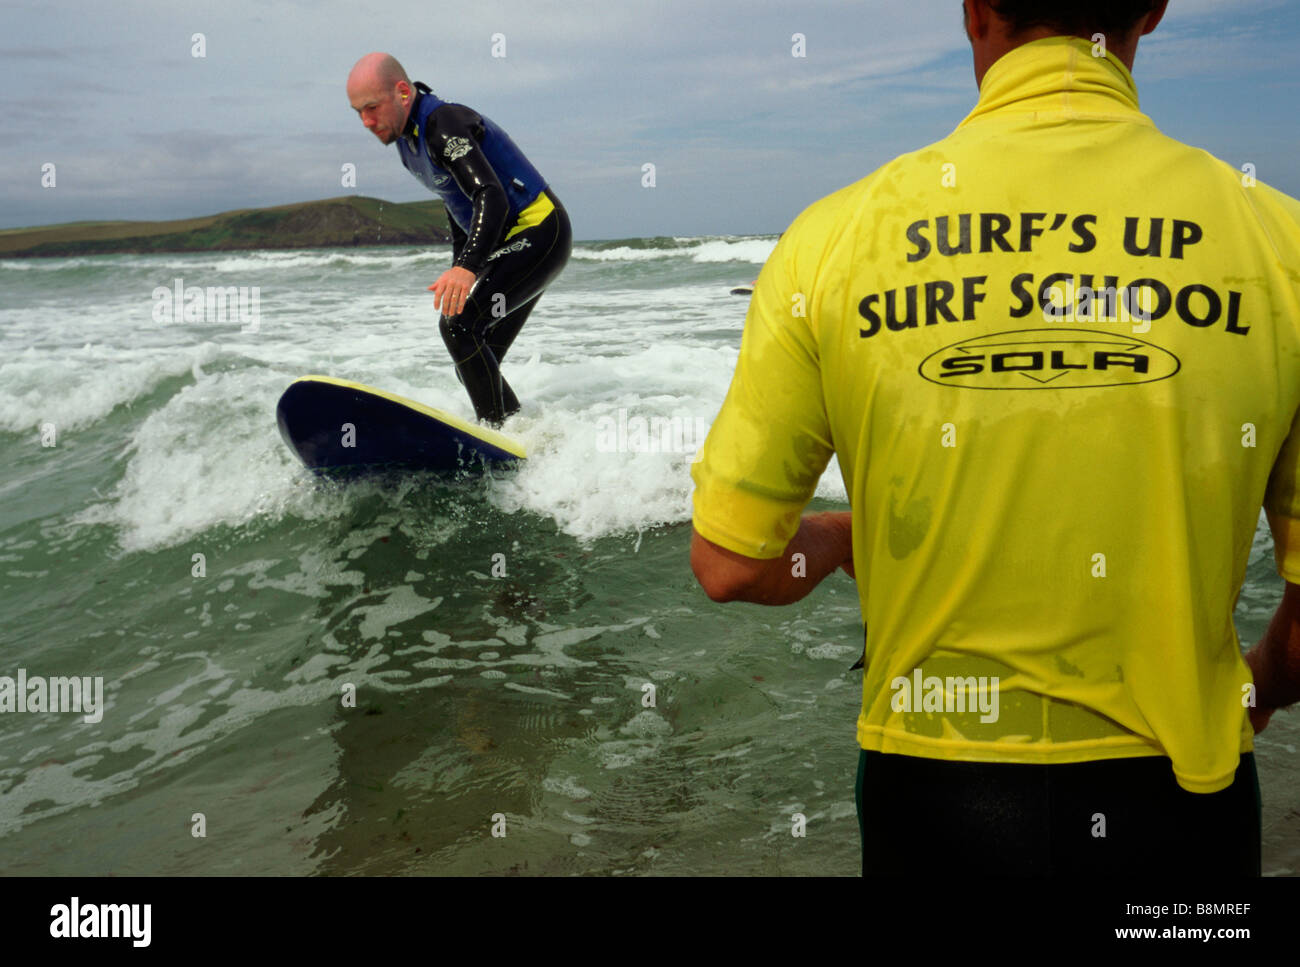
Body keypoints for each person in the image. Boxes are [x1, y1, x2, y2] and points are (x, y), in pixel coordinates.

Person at [689, 0, 1300, 876]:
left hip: (936, 802)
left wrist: (838, 536)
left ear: (973, 11)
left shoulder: (834, 241)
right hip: (1182, 808)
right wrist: (1262, 681)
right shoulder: (1279, 243)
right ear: (1155, 10)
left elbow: (730, 562)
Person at [346, 52, 571, 427]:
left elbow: (490, 195)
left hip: (541, 232)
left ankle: (495, 438)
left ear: (403, 92)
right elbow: (456, 202)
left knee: (459, 329)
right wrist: (460, 263)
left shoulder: (442, 125)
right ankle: (523, 439)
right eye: (358, 112)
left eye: (372, 107)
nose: (367, 121)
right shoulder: (407, 142)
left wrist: (468, 268)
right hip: (515, 243)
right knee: (473, 360)